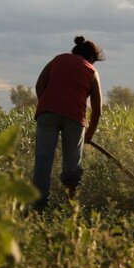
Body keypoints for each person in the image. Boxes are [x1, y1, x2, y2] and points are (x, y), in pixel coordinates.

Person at [32, 36, 104, 210]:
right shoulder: (91, 71)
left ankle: (38, 206)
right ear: (91, 58)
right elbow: (97, 109)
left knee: (43, 160)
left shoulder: (58, 60)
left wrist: (47, 104)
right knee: (72, 165)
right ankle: (71, 206)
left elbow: (39, 84)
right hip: (74, 118)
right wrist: (89, 134)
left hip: (47, 114)